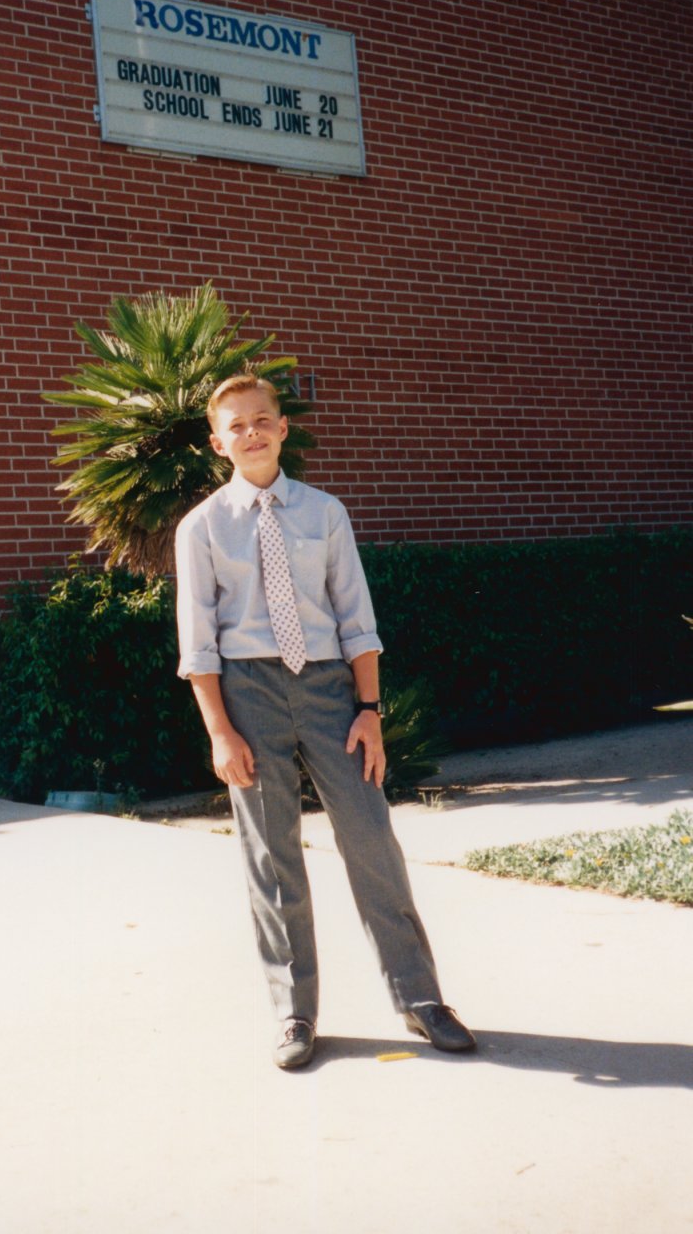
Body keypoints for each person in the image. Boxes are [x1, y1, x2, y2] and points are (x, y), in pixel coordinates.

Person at [175, 373, 475, 1069]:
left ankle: (421, 998)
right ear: (217, 443)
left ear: (282, 429)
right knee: (271, 856)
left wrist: (368, 711)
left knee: (371, 837)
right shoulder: (202, 528)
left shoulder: (324, 513)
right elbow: (198, 645)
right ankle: (293, 1013)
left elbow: (356, 622)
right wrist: (221, 731)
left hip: (330, 692)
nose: (251, 433)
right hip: (247, 692)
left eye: (262, 420)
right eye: (236, 426)